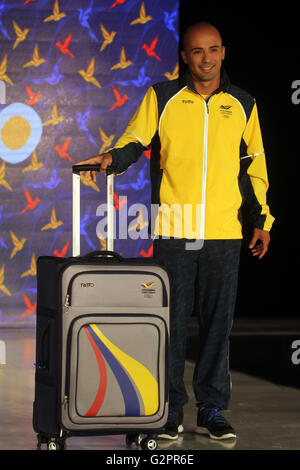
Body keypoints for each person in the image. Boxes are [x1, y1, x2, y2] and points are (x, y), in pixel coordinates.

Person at [74, 22, 274, 441]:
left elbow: (254, 167)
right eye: (197, 52)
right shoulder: (162, 97)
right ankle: (168, 412)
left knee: (218, 324)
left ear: (223, 52)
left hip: (224, 230)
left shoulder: (243, 103)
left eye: (213, 50)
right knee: (170, 321)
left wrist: (261, 221)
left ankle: (213, 408)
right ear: (185, 55)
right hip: (174, 228)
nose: (206, 59)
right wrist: (111, 158)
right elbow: (135, 139)